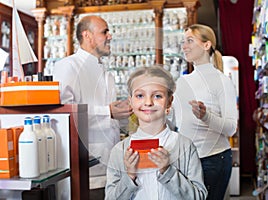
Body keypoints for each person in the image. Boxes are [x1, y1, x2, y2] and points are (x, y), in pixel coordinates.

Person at [53, 15, 133, 200]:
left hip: (112, 169)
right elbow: (65, 114)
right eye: (104, 31)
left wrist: (127, 114)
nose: (110, 36)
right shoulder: (68, 66)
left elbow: (111, 120)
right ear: (87, 35)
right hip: (86, 171)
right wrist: (108, 112)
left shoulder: (106, 73)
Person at [105, 65, 207, 200]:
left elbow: (199, 197)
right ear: (130, 102)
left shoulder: (185, 146)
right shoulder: (120, 151)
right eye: (140, 95)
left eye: (157, 96)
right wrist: (129, 176)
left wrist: (168, 171)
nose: (148, 102)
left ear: (169, 102)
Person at [171, 24, 238, 199]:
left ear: (206, 45)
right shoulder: (182, 81)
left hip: (213, 160)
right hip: (186, 159)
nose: (184, 46)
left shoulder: (222, 81)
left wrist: (205, 116)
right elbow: (176, 121)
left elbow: (231, 128)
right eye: (183, 41)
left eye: (190, 41)